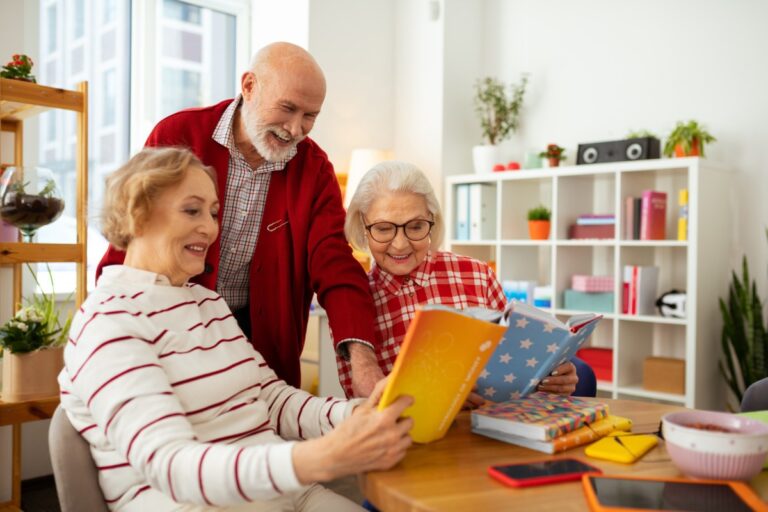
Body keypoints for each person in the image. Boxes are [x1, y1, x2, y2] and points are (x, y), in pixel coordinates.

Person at [61, 147, 413, 511]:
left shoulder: (207, 303)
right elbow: (172, 467)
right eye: (192, 210)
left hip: (286, 494)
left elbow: (271, 401)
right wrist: (315, 458)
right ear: (137, 217)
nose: (211, 228)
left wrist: (355, 414)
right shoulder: (108, 321)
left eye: (214, 212)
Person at [96, 42, 383, 397]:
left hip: (263, 345)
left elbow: (335, 262)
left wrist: (363, 361)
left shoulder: (314, 168)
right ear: (249, 86)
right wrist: (109, 324)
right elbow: (132, 227)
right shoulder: (180, 134)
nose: (295, 129)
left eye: (310, 116)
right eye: (288, 108)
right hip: (169, 331)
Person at [338, 160, 579, 401]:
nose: (400, 244)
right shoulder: (352, 302)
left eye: (416, 226)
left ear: (432, 221)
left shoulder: (478, 275)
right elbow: (359, 403)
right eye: (383, 229)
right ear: (363, 227)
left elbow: (515, 365)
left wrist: (549, 379)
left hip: (490, 426)